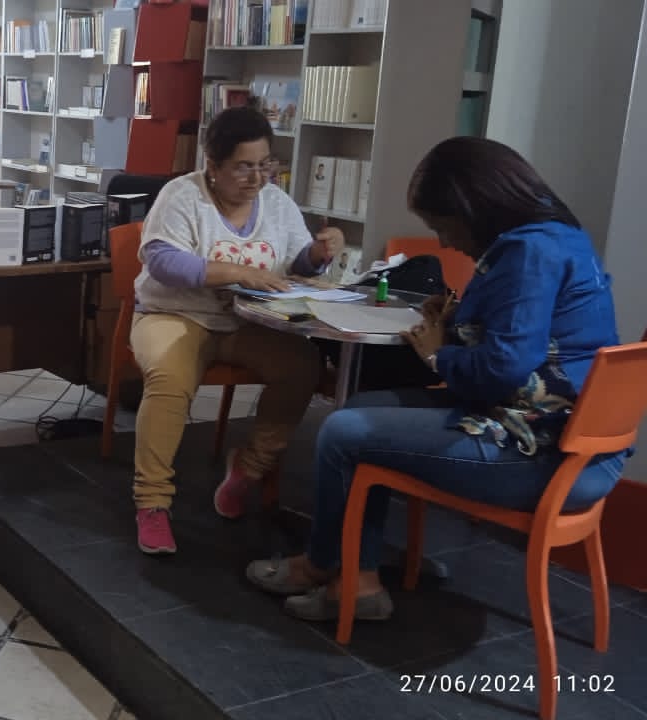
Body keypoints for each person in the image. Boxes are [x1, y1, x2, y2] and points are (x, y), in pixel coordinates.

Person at [246, 137, 626, 622]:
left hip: (539, 453)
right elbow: (526, 338)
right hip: (566, 442)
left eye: (444, 226)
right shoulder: (555, 236)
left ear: (474, 208)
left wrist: (437, 355)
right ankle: (357, 579)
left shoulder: (529, 252)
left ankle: (324, 566)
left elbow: (501, 371)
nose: (445, 243)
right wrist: (457, 320)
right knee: (360, 409)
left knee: (343, 432)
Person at [130, 106, 345, 554]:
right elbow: (163, 262)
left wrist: (318, 254)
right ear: (213, 164)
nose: (257, 178)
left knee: (302, 366)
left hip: (248, 321)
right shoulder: (182, 195)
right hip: (174, 314)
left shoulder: (276, 202)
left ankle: (248, 468)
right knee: (169, 378)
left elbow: (295, 261)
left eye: (265, 164)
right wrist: (237, 272)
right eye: (243, 167)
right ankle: (152, 502)